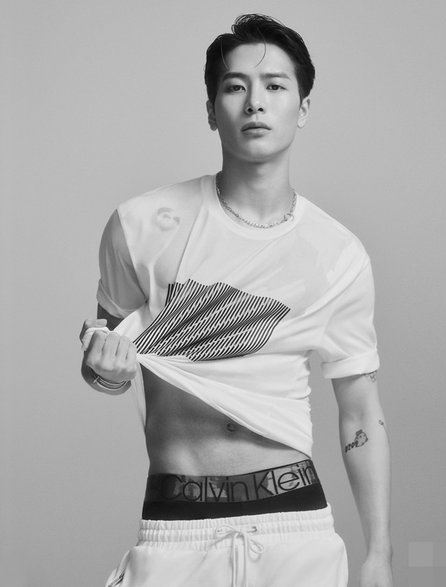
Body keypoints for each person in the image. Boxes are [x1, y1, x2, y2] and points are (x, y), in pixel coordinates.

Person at [80, 14, 393, 587]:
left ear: (302, 107)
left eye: (275, 86)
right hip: (177, 526)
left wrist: (378, 555)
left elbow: (359, 410)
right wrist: (105, 371)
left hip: (295, 529)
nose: (255, 103)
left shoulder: (337, 254)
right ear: (210, 109)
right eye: (235, 86)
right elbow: (106, 359)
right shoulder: (141, 225)